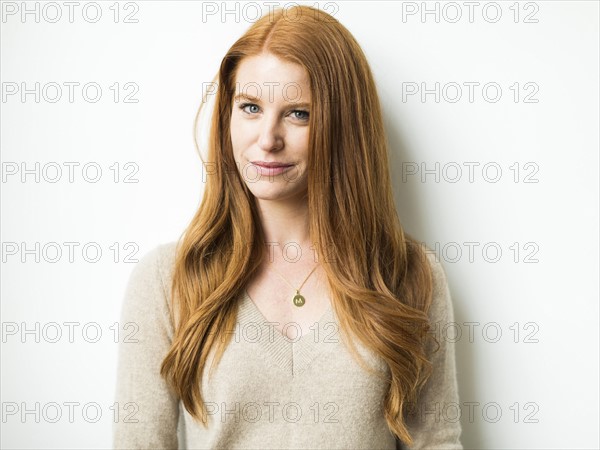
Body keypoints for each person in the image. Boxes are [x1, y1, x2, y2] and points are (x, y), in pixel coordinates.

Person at [113, 5, 462, 449]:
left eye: (299, 113)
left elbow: (435, 442)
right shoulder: (166, 279)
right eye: (251, 107)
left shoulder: (407, 274)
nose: (267, 139)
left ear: (344, 128)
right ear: (227, 116)